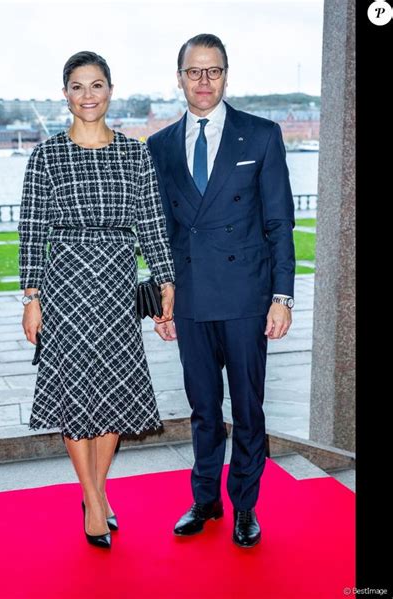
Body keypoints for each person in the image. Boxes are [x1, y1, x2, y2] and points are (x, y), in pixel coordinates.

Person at [18, 51, 175, 549]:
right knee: (74, 392)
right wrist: (31, 295)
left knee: (113, 394)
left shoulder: (134, 155)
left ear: (111, 91)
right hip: (64, 284)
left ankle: (97, 491)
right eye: (79, 86)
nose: (88, 95)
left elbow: (150, 222)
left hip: (114, 282)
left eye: (98, 85)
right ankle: (92, 500)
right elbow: (32, 230)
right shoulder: (45, 156)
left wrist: (166, 281)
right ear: (65, 94)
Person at [147, 34, 295, 548]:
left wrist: (283, 297)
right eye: (194, 71)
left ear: (226, 75)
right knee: (204, 408)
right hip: (189, 299)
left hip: (247, 298)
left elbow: (279, 222)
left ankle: (245, 507)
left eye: (212, 71)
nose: (203, 81)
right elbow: (158, 232)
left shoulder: (260, 135)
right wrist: (158, 302)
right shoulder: (160, 146)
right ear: (180, 77)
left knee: (248, 409)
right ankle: (205, 499)